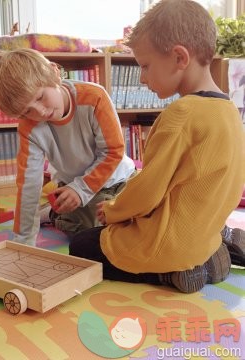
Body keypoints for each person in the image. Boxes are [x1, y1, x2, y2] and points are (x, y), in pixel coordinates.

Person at [69, 0, 245, 293]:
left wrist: (114, 211)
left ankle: (170, 274)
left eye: (146, 66)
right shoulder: (229, 111)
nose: (142, 77)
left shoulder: (181, 114)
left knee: (82, 244)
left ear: (179, 57)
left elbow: (148, 190)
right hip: (204, 234)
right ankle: (210, 253)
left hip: (168, 244)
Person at [0, 48, 136, 246]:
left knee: (150, 216)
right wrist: (23, 241)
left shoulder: (94, 97)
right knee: (95, 235)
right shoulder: (29, 129)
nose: (40, 112)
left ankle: (52, 212)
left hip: (122, 178)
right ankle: (54, 213)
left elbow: (113, 151)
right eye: (26, 112)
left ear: (54, 73)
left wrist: (81, 189)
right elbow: (29, 184)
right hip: (75, 190)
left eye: (40, 97)